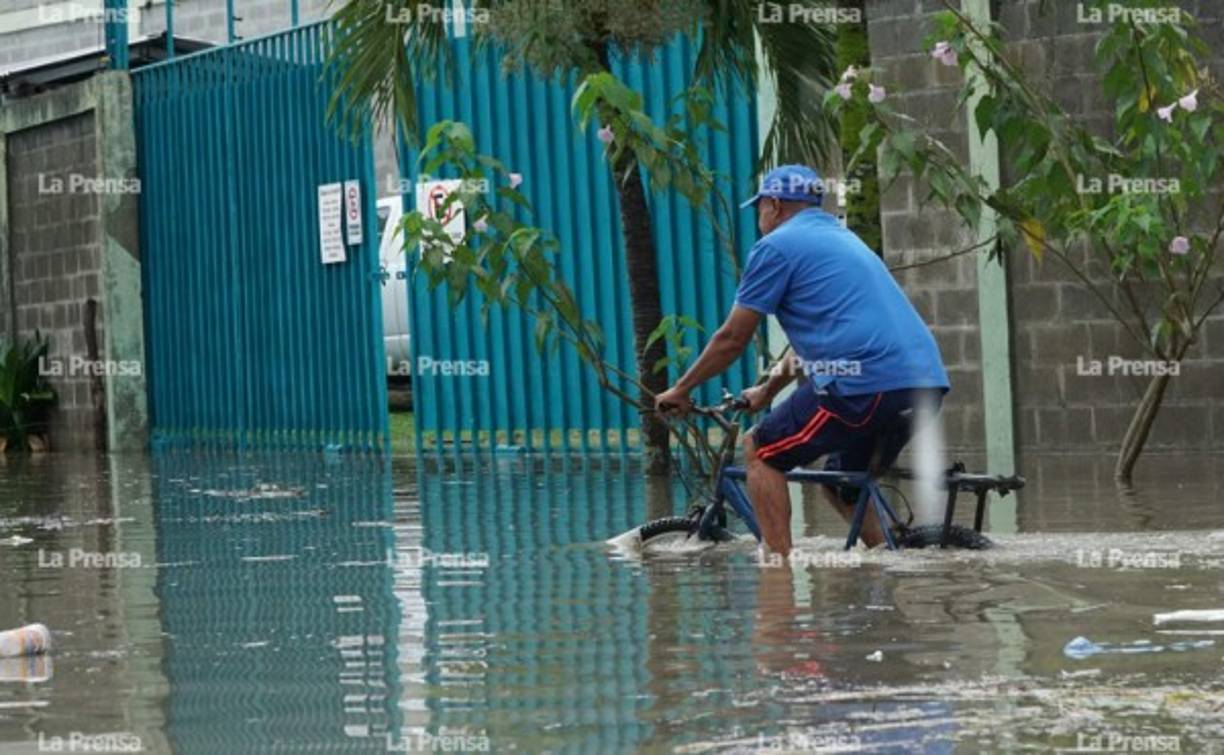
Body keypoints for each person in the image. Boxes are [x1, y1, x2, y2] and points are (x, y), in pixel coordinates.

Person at [654, 165, 949, 556]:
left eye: (759, 208)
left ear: (774, 205)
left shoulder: (776, 247)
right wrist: (766, 390)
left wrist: (682, 389)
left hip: (864, 385)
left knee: (761, 450)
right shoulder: (844, 240)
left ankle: (778, 576)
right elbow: (822, 343)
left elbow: (731, 338)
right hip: (924, 385)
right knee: (840, 480)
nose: (759, 218)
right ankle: (889, 560)